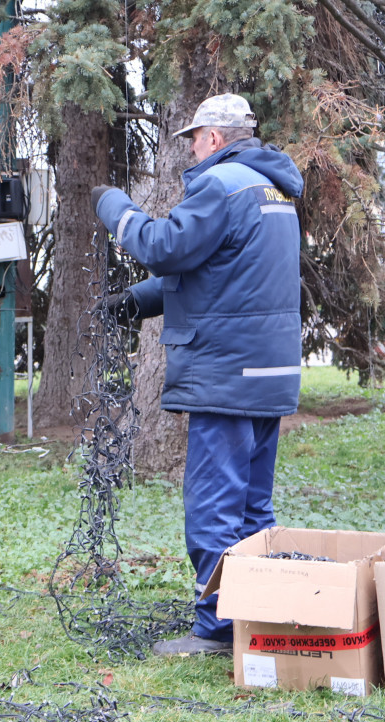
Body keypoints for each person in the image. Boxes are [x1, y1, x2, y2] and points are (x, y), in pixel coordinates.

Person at [90, 94, 304, 657]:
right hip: (269, 371)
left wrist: (116, 209)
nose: (189, 147)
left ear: (213, 136)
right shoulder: (274, 189)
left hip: (226, 373)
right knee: (254, 507)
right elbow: (219, 272)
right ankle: (257, 614)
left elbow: (163, 247)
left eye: (193, 137)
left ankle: (213, 629)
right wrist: (135, 303)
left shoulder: (221, 184)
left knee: (213, 506)